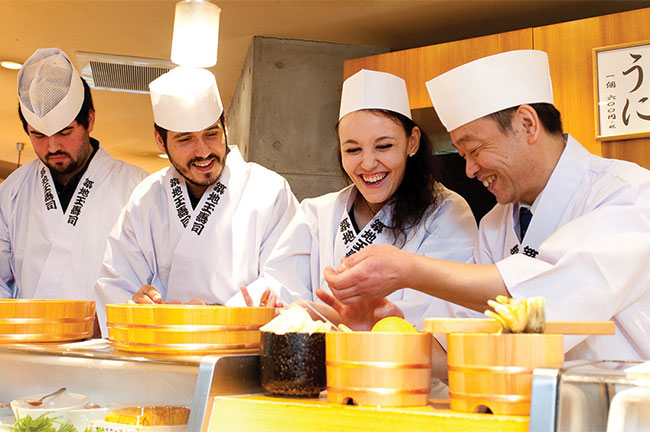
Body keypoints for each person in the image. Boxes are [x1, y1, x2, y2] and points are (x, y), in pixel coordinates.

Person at [324, 50, 650, 361]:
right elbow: (461, 353)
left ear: (527, 124)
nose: (469, 170)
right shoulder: (495, 224)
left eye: (475, 149)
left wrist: (405, 269)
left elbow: (541, 299)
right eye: (463, 155)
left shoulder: (630, 195)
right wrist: (381, 335)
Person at [243, 69, 477, 331]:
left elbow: (440, 318)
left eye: (384, 146)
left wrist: (329, 316)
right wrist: (275, 307)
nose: (367, 164)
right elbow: (282, 287)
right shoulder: (316, 213)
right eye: (353, 149)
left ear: (412, 142)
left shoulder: (446, 212)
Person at [94, 67, 298, 331]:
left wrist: (214, 315)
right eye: (185, 140)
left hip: (240, 352)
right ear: (160, 140)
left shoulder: (270, 191)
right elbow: (115, 286)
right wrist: (136, 305)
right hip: (162, 353)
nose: (203, 151)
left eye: (211, 134)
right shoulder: (146, 200)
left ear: (225, 126)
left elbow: (286, 279)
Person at [0, 48, 148, 301]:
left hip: (106, 338)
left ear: (89, 121)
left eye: (64, 133)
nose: (53, 147)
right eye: (38, 135)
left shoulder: (136, 186)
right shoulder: (13, 189)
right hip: (26, 338)